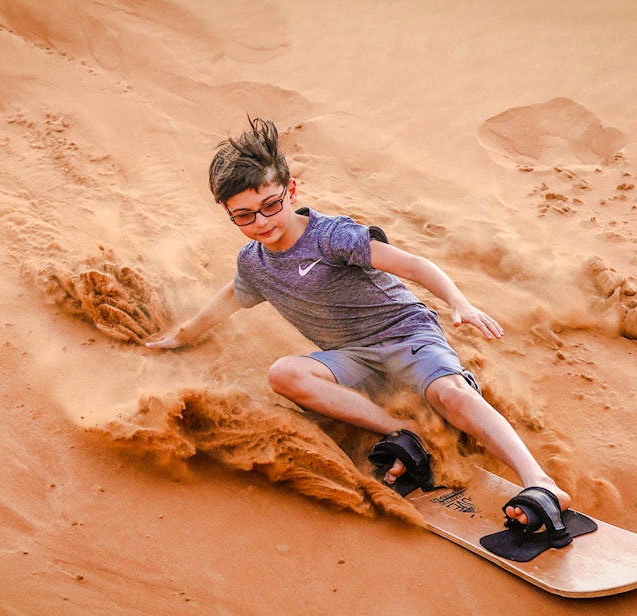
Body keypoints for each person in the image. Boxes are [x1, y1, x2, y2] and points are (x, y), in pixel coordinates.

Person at [146, 117, 570, 527]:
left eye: (270, 206)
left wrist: (459, 302)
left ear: (290, 191)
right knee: (284, 374)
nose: (261, 222)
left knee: (448, 393)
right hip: (354, 359)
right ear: (228, 214)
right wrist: (181, 337)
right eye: (244, 215)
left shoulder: (330, 236)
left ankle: (541, 484)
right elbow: (227, 300)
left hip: (407, 335)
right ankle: (405, 434)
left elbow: (412, 264)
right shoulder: (255, 264)